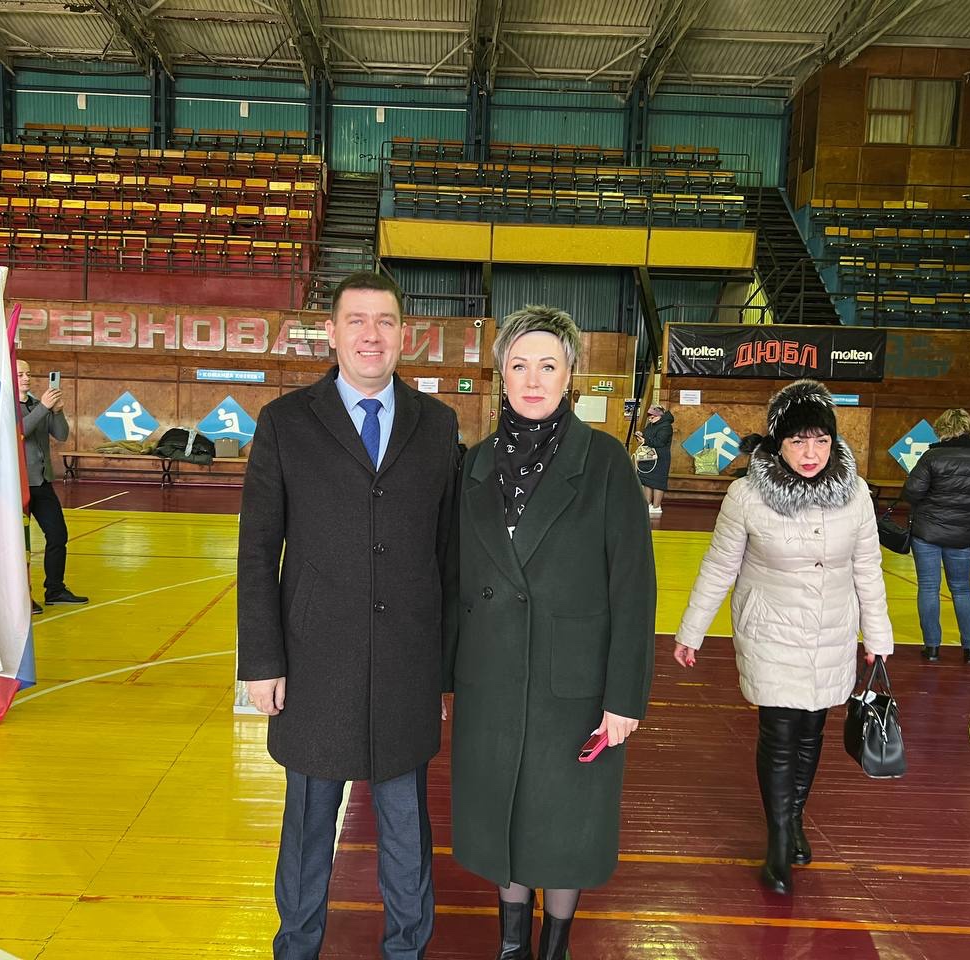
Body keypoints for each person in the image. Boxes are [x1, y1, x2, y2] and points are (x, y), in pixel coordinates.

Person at [237, 272, 460, 960]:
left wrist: (445, 671)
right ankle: (296, 946)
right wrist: (261, 662)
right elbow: (256, 551)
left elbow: (448, 557)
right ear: (330, 332)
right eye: (357, 320)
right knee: (307, 828)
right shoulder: (285, 422)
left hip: (406, 668)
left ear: (404, 335)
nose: (371, 335)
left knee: (406, 829)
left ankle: (408, 949)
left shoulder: (437, 425)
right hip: (313, 666)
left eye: (385, 321)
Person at [445, 305, 656, 960]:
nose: (532, 380)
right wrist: (444, 678)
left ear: (570, 375)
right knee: (503, 816)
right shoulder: (475, 465)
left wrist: (624, 698)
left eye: (547, 365)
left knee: (564, 824)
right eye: (518, 365)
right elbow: (453, 578)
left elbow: (634, 589)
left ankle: (555, 945)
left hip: (574, 686)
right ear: (500, 375)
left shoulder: (606, 463)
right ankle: (512, 944)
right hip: (489, 678)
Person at [672, 379, 893, 896]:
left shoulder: (856, 494)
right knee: (779, 731)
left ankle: (794, 819)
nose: (810, 453)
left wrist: (878, 636)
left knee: (812, 729)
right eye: (797, 441)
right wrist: (692, 630)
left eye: (820, 440)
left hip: (832, 629)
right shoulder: (747, 496)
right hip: (769, 629)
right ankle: (777, 841)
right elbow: (720, 565)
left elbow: (868, 567)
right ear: (777, 443)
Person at [902, 408, 970, 665]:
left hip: (927, 532)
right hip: (964, 533)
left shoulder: (932, 457)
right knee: (962, 588)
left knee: (929, 587)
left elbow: (911, 492)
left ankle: (932, 648)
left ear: (943, 430)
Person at [17, 360, 87, 613]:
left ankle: (55, 589)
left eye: (28, 373)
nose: (26, 378)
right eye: (20, 374)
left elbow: (61, 434)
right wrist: (44, 408)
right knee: (18, 543)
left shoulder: (37, 404)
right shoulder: (5, 406)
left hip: (42, 482)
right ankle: (20, 597)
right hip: (17, 485)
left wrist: (56, 411)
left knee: (58, 535)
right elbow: (19, 431)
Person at [634, 403, 673, 516]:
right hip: (649, 457)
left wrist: (645, 441)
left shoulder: (666, 426)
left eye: (652, 415)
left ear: (659, 415)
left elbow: (660, 442)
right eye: (649, 415)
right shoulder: (651, 425)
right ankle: (647, 504)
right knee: (647, 481)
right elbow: (647, 436)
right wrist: (641, 434)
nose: (650, 418)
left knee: (658, 483)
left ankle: (656, 506)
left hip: (660, 458)